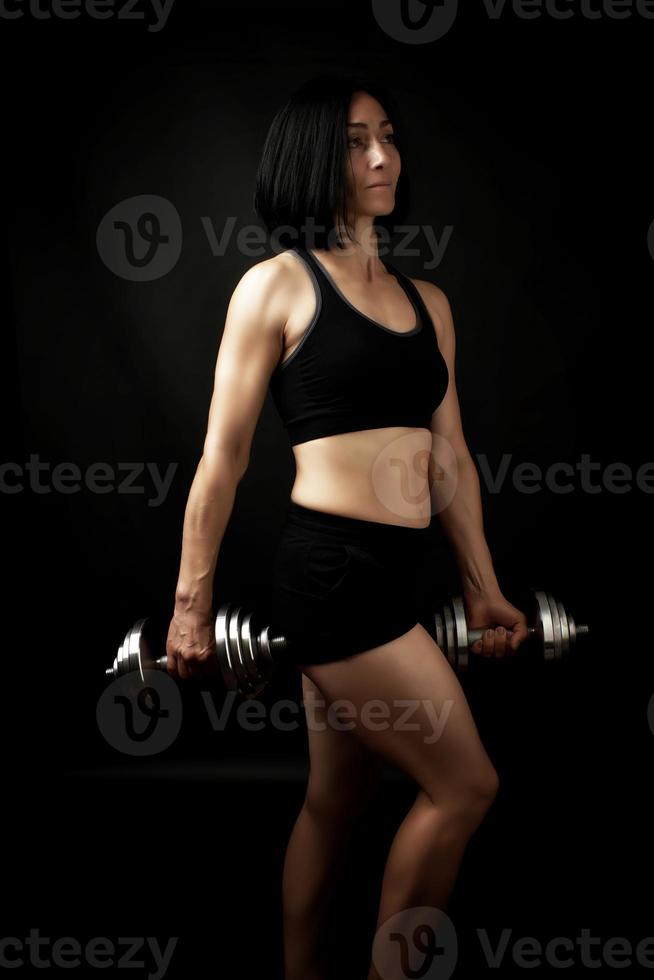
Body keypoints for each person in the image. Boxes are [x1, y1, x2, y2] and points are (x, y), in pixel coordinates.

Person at [166, 71, 529, 980]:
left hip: (395, 571)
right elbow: (222, 459)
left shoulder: (428, 303)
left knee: (335, 801)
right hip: (332, 579)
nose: (380, 156)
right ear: (311, 162)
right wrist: (189, 607)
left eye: (389, 136)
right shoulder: (276, 287)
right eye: (355, 141)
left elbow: (449, 461)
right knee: (465, 785)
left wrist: (483, 591)